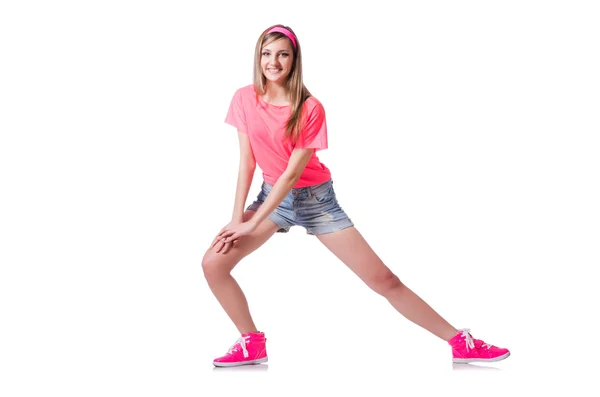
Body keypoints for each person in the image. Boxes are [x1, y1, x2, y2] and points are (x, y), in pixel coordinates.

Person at [202, 24, 510, 367]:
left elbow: (291, 175)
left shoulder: (310, 108)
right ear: (258, 57)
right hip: (271, 197)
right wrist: (236, 219)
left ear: (294, 60)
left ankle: (460, 342)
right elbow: (247, 161)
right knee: (213, 264)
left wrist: (251, 224)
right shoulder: (244, 97)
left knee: (384, 280)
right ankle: (252, 342)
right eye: (267, 54)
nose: (273, 62)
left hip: (315, 201)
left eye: (282, 54)